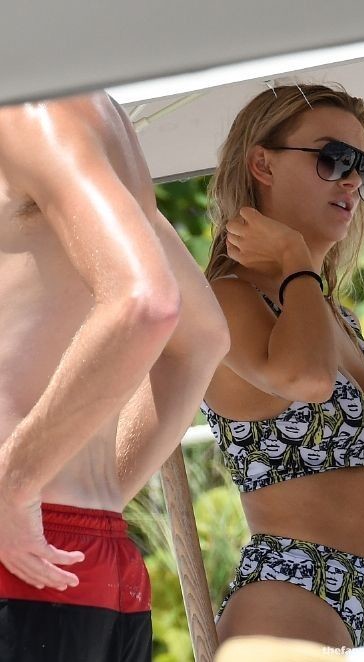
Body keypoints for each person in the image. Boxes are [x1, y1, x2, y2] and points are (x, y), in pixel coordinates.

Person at [200, 83, 364, 649]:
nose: (351, 181)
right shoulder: (228, 297)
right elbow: (308, 381)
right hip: (287, 596)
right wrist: (295, 258)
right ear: (263, 164)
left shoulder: (335, 317)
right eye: (334, 158)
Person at [0, 91, 229, 662]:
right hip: (68, 549)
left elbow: (145, 305)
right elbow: (201, 339)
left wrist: (15, 483)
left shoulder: (29, 105)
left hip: (26, 552)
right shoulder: (84, 110)